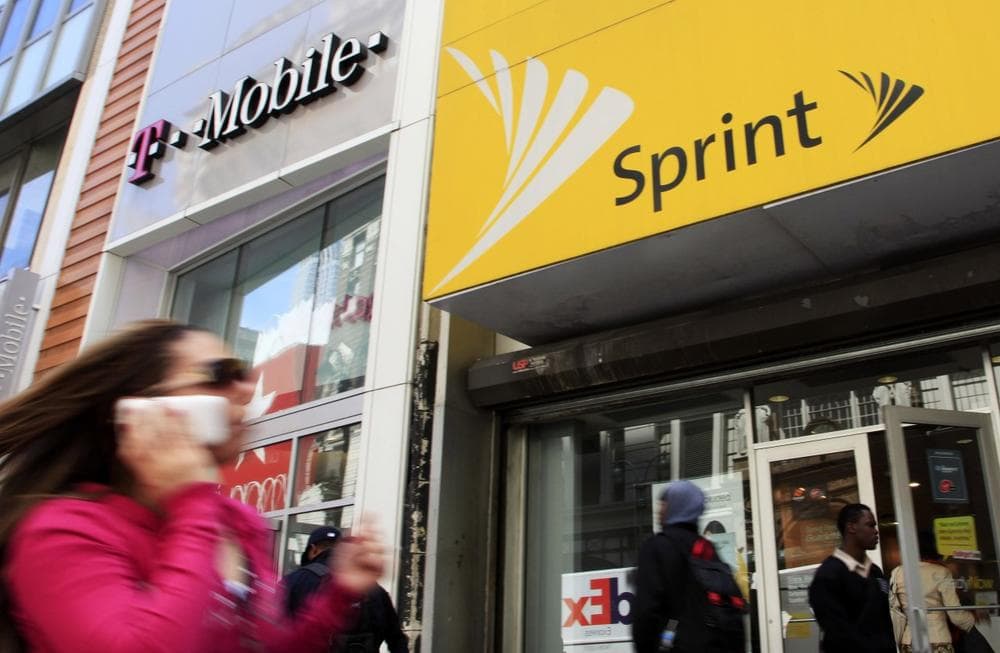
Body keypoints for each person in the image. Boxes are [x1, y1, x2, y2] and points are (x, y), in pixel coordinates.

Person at [0, 320, 385, 653]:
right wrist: (193, 502)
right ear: (137, 410)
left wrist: (338, 595)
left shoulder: (239, 522)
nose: (247, 389)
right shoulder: (63, 530)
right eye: (220, 374)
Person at [632, 480, 744, 653]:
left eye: (664, 503)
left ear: (675, 506)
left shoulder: (657, 547)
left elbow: (645, 614)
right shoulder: (707, 549)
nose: (659, 510)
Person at [284, 526, 408, 653]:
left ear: (313, 550)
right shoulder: (372, 588)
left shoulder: (292, 582)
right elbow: (397, 639)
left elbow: (277, 637)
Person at [808, 503, 895, 653]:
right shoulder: (828, 575)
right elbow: (837, 633)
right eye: (870, 525)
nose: (876, 531)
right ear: (852, 527)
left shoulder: (875, 572)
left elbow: (883, 623)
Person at [889, 530, 976, 653]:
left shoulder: (897, 572)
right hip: (937, 639)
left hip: (909, 641)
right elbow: (955, 614)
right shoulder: (941, 572)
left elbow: (896, 610)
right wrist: (972, 620)